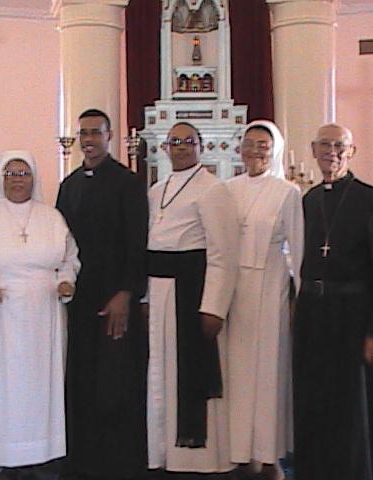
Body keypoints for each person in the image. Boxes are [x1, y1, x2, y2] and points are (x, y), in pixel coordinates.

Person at [0, 151, 79, 479]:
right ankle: (4, 457)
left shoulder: (51, 217)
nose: (17, 180)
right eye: (11, 174)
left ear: (34, 178)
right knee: (3, 388)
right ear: (1, 178)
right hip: (0, 313)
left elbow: (69, 257)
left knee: (40, 388)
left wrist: (65, 281)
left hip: (44, 312)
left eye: (23, 173)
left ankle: (39, 456)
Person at [292, 124, 373, 480]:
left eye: (340, 145)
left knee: (353, 409)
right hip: (314, 315)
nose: (332, 151)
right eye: (325, 144)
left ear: (351, 152)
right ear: (313, 150)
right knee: (316, 403)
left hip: (354, 317)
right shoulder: (309, 200)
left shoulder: (370, 199)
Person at [56, 109, 149, 480]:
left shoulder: (127, 183)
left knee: (115, 383)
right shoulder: (69, 185)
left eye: (96, 132)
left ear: (109, 136)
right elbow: (61, 243)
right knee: (81, 381)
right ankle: (82, 463)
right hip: (78, 301)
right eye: (84, 133)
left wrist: (126, 292)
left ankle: (118, 466)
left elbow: (137, 243)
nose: (89, 140)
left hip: (114, 299)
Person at [144, 121, 239, 473]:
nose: (181, 147)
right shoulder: (156, 190)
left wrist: (214, 307)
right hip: (159, 290)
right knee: (161, 372)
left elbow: (223, 252)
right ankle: (164, 453)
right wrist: (145, 297)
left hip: (191, 292)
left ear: (201, 146)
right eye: (175, 142)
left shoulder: (213, 189)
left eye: (188, 141)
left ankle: (199, 458)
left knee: (188, 373)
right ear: (165, 148)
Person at [227, 120, 303, 480]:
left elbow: (297, 250)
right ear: (239, 149)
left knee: (269, 372)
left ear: (274, 151)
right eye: (250, 143)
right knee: (238, 375)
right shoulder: (227, 189)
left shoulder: (287, 192)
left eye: (263, 145)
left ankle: (270, 455)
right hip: (235, 290)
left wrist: (301, 297)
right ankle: (240, 452)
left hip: (271, 287)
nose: (255, 151)